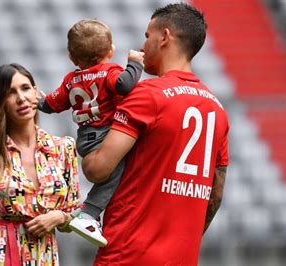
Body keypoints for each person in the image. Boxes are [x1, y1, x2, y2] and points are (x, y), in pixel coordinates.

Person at [82, 3, 230, 265]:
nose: (143, 44)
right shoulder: (217, 109)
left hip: (127, 254)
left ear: (164, 37)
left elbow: (98, 170)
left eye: (147, 35)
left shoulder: (147, 94)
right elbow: (215, 195)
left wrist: (85, 137)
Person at [37, 19, 144, 247]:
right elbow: (124, 85)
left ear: (72, 58)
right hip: (105, 134)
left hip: (85, 137)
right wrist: (134, 64)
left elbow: (52, 105)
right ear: (110, 50)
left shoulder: (71, 80)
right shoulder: (109, 71)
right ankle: (89, 213)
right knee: (116, 171)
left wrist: (39, 101)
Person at [0, 63, 80, 266]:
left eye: (25, 88)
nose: (21, 98)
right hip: (0, 257)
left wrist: (59, 217)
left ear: (36, 92)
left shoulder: (63, 148)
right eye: (10, 93)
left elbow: (74, 211)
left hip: (46, 258)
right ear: (0, 102)